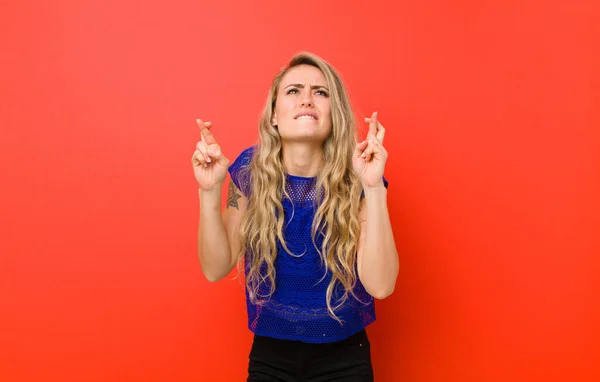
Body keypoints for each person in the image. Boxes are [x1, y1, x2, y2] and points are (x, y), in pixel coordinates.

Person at [192, 52, 399, 381]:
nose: (307, 99)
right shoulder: (249, 172)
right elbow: (216, 268)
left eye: (321, 92)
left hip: (346, 358)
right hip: (271, 358)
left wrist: (373, 187)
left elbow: (382, 285)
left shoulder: (358, 175)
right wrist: (209, 191)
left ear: (335, 114)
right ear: (274, 115)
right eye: (293, 91)